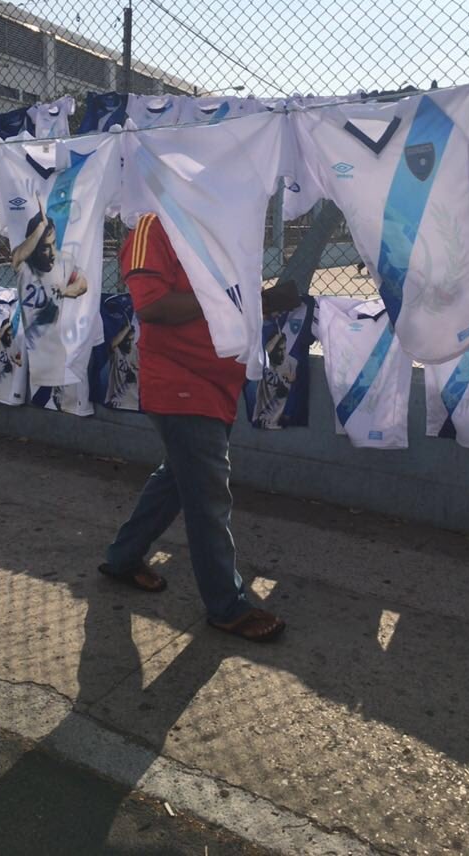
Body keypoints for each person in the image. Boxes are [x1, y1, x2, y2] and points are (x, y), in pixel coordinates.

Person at [99, 213, 286, 642]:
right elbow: (152, 305)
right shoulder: (152, 223)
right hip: (180, 385)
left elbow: (230, 296)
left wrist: (263, 302)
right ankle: (227, 606)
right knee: (207, 498)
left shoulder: (217, 219)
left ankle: (123, 558)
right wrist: (227, 300)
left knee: (177, 481)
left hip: (215, 384)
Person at [11, 198, 87, 403]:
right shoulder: (25, 267)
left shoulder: (63, 261)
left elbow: (82, 284)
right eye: (45, 247)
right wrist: (41, 227)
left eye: (54, 244)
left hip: (60, 351)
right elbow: (17, 256)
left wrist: (67, 290)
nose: (52, 253)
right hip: (31, 351)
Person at [252, 328, 297, 429]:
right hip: (261, 419)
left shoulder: (291, 363)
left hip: (281, 421)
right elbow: (265, 353)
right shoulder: (263, 362)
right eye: (279, 350)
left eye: (284, 349)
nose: (282, 354)